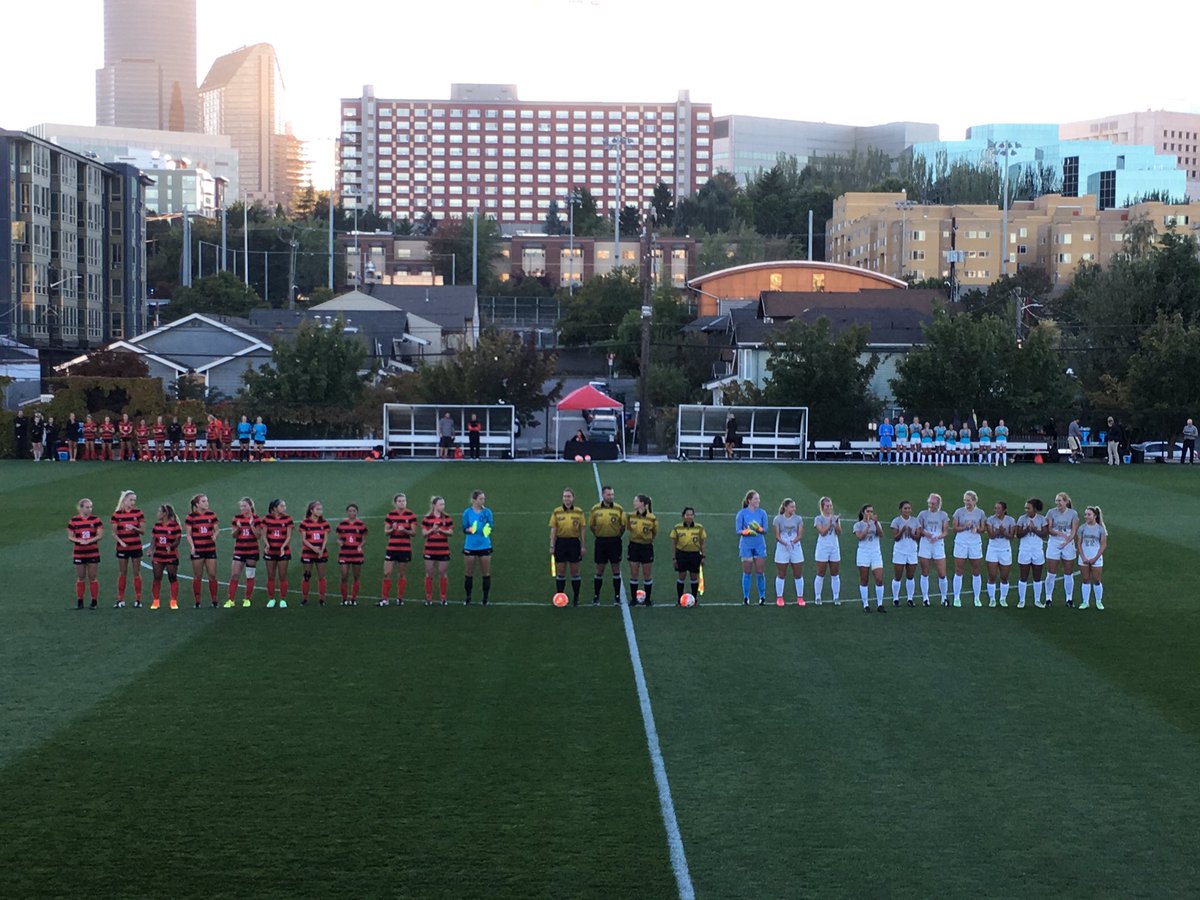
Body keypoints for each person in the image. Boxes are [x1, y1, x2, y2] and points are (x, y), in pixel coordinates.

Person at [589, 484, 627, 606]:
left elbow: (623, 526)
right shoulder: (595, 509)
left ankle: (617, 597)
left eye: (612, 494)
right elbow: (592, 526)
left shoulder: (618, 509)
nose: (611, 496)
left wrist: (616, 535)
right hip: (600, 542)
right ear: (603, 495)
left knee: (616, 568)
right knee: (599, 569)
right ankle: (596, 596)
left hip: (615, 542)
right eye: (608, 494)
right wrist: (600, 534)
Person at [549, 488, 587, 606]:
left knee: (575, 571)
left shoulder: (579, 512)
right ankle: (560, 596)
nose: (567, 498)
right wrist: (552, 545)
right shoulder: (557, 511)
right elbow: (553, 529)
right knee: (560, 571)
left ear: (573, 498)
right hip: (561, 543)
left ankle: (576, 598)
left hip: (574, 543)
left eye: (569, 496)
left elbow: (582, 529)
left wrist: (583, 545)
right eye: (565, 496)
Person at [381, 493, 418, 606]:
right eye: (400, 501)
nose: (402, 503)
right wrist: (393, 528)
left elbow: (413, 533)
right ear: (396, 503)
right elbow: (386, 532)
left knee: (401, 574)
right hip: (392, 548)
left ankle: (400, 598)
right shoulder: (390, 515)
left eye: (404, 501)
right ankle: (385, 599)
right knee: (387, 573)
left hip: (404, 548)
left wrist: (405, 530)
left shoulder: (411, 515)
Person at [110, 489, 146, 608]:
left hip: (135, 546)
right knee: (123, 573)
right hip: (122, 548)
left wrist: (134, 528)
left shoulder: (138, 513)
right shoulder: (117, 515)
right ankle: (120, 599)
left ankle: (138, 599)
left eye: (134, 500)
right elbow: (114, 533)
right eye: (131, 500)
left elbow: (143, 531)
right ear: (124, 500)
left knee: (136, 572)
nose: (133, 502)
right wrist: (121, 542)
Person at [1043, 491, 1079, 607]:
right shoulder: (1051, 512)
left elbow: (1074, 531)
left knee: (1068, 572)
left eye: (1060, 500)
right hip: (1054, 542)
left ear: (1066, 502)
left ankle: (1069, 598)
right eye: (1056, 500)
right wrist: (1057, 532)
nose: (1057, 503)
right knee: (1051, 572)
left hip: (1068, 543)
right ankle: (1048, 598)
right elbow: (1049, 528)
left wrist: (1066, 542)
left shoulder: (1073, 514)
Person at [185, 493, 220, 609]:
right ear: (197, 504)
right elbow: (188, 534)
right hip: (198, 549)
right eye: (204, 501)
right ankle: (197, 601)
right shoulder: (191, 517)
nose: (207, 503)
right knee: (197, 575)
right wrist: (192, 546)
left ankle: (214, 600)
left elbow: (216, 529)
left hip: (210, 548)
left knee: (212, 575)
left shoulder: (212, 515)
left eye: (207, 501)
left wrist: (215, 535)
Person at [951, 490, 986, 608]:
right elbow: (954, 528)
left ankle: (977, 598)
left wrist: (976, 528)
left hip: (975, 543)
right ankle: (956, 597)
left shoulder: (980, 512)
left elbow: (983, 528)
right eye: (965, 500)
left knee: (976, 570)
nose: (967, 503)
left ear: (974, 501)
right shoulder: (959, 512)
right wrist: (965, 526)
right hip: (961, 542)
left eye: (969, 500)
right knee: (959, 569)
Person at [226, 497, 262, 608]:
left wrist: (251, 526)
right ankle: (231, 600)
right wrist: (238, 528)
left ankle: (247, 599)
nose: (242, 508)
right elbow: (233, 535)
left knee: (250, 575)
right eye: (241, 506)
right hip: (239, 550)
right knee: (235, 574)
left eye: (244, 506)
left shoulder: (256, 519)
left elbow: (258, 536)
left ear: (250, 506)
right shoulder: (237, 518)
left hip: (252, 550)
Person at [68, 498, 103, 609]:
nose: (90, 509)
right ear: (81, 508)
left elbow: (100, 535)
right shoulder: (74, 521)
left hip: (92, 552)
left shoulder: (96, 520)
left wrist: (89, 541)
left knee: (92, 577)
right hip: (79, 553)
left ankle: (94, 601)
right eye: (87, 507)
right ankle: (80, 601)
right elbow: (70, 536)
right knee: (81, 577)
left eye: (91, 507)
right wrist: (79, 541)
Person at [735, 490, 769, 605]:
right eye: (756, 499)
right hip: (746, 546)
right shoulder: (742, 513)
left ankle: (762, 597)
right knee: (747, 572)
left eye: (758, 499)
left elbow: (766, 530)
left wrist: (759, 529)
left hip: (759, 545)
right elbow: (738, 530)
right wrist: (747, 531)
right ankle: (746, 597)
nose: (758, 501)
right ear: (749, 501)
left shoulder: (762, 513)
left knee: (760, 572)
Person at [461, 490, 494, 605]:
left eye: (483, 499)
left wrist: (487, 530)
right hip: (470, 546)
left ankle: (485, 598)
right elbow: (464, 528)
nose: (483, 501)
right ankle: (468, 597)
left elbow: (491, 525)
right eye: (480, 499)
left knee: (486, 573)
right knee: (469, 573)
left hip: (484, 545)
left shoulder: (487, 512)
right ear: (474, 500)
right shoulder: (467, 513)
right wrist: (470, 530)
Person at [917, 493, 949, 607]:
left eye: (933, 503)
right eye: (930, 503)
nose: (931, 505)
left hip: (938, 544)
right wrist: (927, 534)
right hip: (925, 543)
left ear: (938, 504)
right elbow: (919, 528)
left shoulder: (943, 515)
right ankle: (925, 598)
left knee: (942, 573)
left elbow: (945, 531)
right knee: (925, 572)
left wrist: (937, 537)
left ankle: (944, 597)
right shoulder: (923, 514)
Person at [1015, 499, 1048, 609]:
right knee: (1023, 576)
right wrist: (1027, 530)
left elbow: (1044, 534)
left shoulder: (1042, 519)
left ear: (1034, 509)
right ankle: (1021, 600)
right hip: (1024, 550)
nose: (1026, 510)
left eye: (1028, 508)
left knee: (1037, 577)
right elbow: (1018, 534)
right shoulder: (1021, 519)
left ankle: (1037, 600)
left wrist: (1033, 530)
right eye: (1025, 508)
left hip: (1037, 550)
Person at [149, 504, 182, 610]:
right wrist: (150, 549)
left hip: (170, 555)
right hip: (158, 555)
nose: (157, 513)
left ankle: (173, 601)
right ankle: (156, 601)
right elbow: (154, 539)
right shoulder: (156, 526)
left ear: (165, 514)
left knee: (172, 577)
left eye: (159, 511)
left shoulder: (175, 526)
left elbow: (177, 541)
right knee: (157, 577)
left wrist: (170, 546)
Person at [421, 496, 454, 605]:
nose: (442, 506)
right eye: (440, 504)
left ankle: (443, 597)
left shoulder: (447, 518)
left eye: (443, 504)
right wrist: (432, 530)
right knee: (429, 573)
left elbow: (451, 532)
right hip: (430, 550)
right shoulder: (427, 518)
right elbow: (424, 534)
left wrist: (441, 530)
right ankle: (428, 597)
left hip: (443, 550)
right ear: (434, 505)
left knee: (442, 573)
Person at [627, 494, 658, 605]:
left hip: (646, 547)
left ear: (642, 504)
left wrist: (646, 540)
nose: (634, 503)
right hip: (634, 546)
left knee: (647, 574)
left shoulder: (652, 518)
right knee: (634, 574)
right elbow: (629, 528)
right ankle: (633, 600)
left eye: (636, 501)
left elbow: (654, 533)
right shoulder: (631, 516)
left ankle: (648, 600)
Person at [854, 503, 886, 612]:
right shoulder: (858, 525)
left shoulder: (876, 523)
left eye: (871, 511)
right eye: (868, 511)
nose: (870, 514)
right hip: (863, 552)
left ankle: (880, 604)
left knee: (879, 578)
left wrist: (876, 523)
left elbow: (881, 535)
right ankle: (866, 604)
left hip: (875, 552)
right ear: (863, 513)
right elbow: (860, 537)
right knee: (864, 579)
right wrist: (867, 525)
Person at [670, 506, 706, 604]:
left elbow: (702, 543)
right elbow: (674, 544)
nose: (689, 517)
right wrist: (674, 558)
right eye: (687, 515)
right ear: (683, 516)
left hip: (694, 554)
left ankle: (694, 598)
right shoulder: (677, 527)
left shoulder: (699, 527)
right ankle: (679, 599)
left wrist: (703, 556)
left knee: (694, 576)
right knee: (681, 575)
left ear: (694, 516)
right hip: (681, 554)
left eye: (691, 515)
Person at [262, 498, 294, 609]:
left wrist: (283, 547)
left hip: (283, 551)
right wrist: (267, 545)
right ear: (275, 507)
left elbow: (289, 536)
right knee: (271, 576)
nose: (284, 508)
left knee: (282, 576)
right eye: (282, 506)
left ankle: (283, 599)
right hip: (270, 551)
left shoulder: (287, 519)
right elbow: (264, 534)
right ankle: (271, 598)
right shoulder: (267, 519)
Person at [772, 498, 804, 605]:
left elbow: (800, 535)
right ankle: (779, 597)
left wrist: (793, 542)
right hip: (782, 548)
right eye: (792, 507)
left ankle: (800, 597)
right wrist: (784, 543)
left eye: (794, 507)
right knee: (781, 573)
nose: (794, 509)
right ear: (785, 507)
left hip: (795, 547)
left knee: (798, 573)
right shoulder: (778, 519)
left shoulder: (798, 519)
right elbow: (777, 535)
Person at [299, 501, 331, 606]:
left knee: (321, 576)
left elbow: (325, 538)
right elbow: (304, 539)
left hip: (321, 552)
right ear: (311, 510)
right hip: (308, 552)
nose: (320, 511)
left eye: (321, 509)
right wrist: (313, 548)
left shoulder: (324, 523)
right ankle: (305, 598)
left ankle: (322, 599)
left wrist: (321, 550)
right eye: (317, 509)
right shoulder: (305, 523)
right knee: (307, 575)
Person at [985, 501, 1016, 608]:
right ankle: (992, 599)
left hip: (1005, 549)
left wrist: (1004, 532)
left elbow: (1011, 536)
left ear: (1004, 510)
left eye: (998, 508)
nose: (996, 511)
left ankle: (1003, 598)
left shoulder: (1011, 520)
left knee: (1004, 576)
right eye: (995, 508)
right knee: (992, 575)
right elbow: (991, 535)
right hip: (993, 549)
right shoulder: (990, 520)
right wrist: (999, 531)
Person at [336, 503, 368, 605]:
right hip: (344, 553)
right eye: (350, 511)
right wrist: (340, 542)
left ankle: (353, 599)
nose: (352, 513)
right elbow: (339, 537)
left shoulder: (361, 524)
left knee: (356, 576)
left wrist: (360, 546)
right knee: (344, 576)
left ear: (357, 512)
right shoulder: (342, 524)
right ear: (347, 512)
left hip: (356, 554)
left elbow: (364, 539)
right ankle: (344, 599)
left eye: (354, 511)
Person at [812, 496, 842, 605]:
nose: (829, 508)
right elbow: (822, 532)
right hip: (823, 548)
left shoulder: (835, 518)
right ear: (822, 507)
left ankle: (836, 597)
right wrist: (830, 522)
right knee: (821, 572)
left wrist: (837, 523)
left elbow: (839, 533)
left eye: (830, 505)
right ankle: (818, 597)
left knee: (835, 573)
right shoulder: (818, 519)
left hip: (834, 547)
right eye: (827, 506)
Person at [1077, 506, 1108, 611]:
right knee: (1085, 579)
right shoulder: (1082, 528)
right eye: (1085, 514)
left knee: (1096, 579)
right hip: (1084, 557)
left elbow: (1103, 545)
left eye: (1088, 514)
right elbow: (1079, 544)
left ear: (1095, 516)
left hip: (1096, 557)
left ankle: (1098, 601)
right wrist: (1083, 557)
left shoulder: (1100, 529)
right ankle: (1085, 602)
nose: (1086, 516)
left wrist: (1095, 558)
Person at [890, 500, 919, 607]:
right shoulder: (896, 521)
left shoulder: (915, 521)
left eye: (909, 508)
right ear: (901, 510)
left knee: (910, 576)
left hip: (911, 551)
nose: (907, 510)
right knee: (898, 576)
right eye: (905, 508)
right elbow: (896, 538)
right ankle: (895, 598)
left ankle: (910, 598)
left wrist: (911, 532)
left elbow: (918, 537)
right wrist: (902, 531)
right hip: (900, 551)